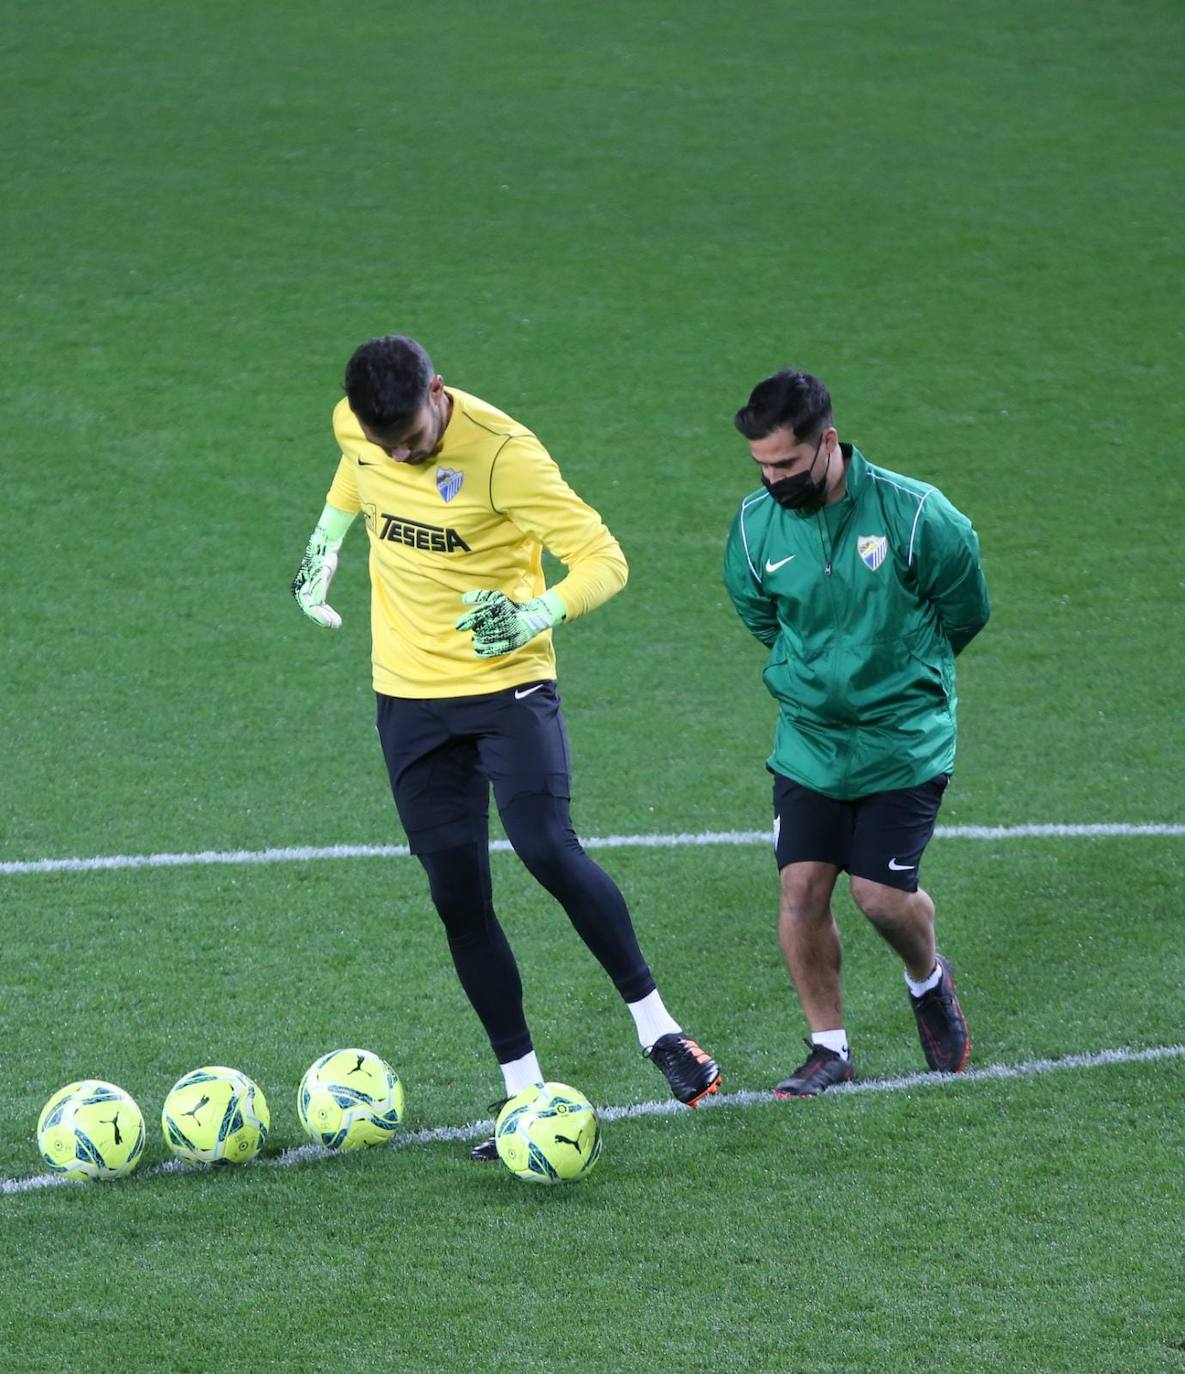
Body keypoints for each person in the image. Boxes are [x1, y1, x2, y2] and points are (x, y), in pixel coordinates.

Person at [291, 334, 721, 1156]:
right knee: (455, 890)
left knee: (546, 848)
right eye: (388, 444)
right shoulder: (361, 425)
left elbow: (605, 558)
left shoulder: (504, 455)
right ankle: (521, 1092)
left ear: (438, 391)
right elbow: (355, 471)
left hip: (505, 688)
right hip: (408, 695)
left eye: (413, 439)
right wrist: (324, 544)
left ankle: (660, 1032)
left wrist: (536, 614)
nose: (403, 455)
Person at [723, 368, 990, 1097]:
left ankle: (925, 977)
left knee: (878, 897)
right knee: (801, 889)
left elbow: (965, 608)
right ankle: (828, 1047)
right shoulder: (755, 527)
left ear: (827, 442)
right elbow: (761, 617)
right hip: (809, 740)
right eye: (762, 466)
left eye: (785, 462)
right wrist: (817, 677)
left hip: (902, 739)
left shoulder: (913, 516)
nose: (773, 478)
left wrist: (899, 674)